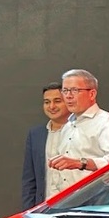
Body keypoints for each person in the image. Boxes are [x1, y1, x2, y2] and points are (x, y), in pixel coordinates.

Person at [46, 69, 109, 197]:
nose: (68, 96)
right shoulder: (68, 125)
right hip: (66, 200)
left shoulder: (106, 121)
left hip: (95, 199)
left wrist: (80, 163)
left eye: (74, 90)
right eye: (65, 91)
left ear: (92, 94)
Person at [21, 82, 70, 210]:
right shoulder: (36, 134)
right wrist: (29, 210)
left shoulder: (80, 132)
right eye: (47, 102)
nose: (51, 106)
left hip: (73, 207)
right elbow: (29, 179)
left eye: (57, 101)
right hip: (43, 208)